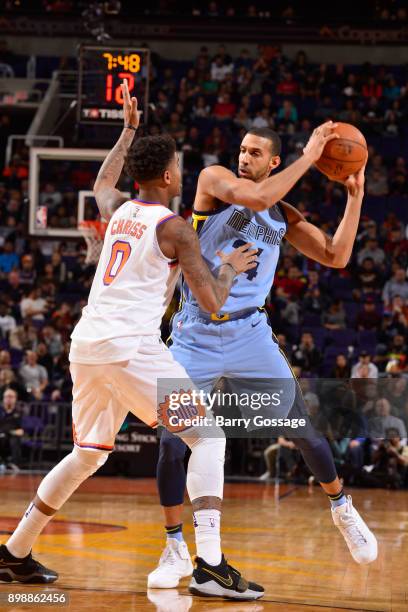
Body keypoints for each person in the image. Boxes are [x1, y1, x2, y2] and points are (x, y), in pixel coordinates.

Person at [0, 81, 263, 601]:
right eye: (180, 170)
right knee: (208, 436)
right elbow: (211, 302)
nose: (183, 176)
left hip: (87, 346)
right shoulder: (176, 229)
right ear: (168, 176)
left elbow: (102, 179)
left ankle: (14, 554)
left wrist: (127, 131)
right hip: (129, 348)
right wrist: (230, 268)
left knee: (87, 454)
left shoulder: (117, 209)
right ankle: (210, 564)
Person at [148, 124, 377, 590]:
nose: (244, 157)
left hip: (251, 332)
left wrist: (354, 198)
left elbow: (336, 255)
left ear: (273, 161)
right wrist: (311, 157)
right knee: (173, 443)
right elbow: (251, 198)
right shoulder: (213, 183)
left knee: (303, 432)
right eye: (242, 150)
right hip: (194, 332)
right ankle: (175, 547)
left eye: (255, 153)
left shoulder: (282, 214)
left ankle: (341, 508)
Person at [0, 388, 24, 472]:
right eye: (6, 397)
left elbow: (21, 431)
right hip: (1, 435)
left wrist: (9, 432)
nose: (8, 399)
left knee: (14, 440)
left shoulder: (20, 412)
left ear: (15, 398)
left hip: (13, 436)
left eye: (11, 396)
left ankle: (15, 464)